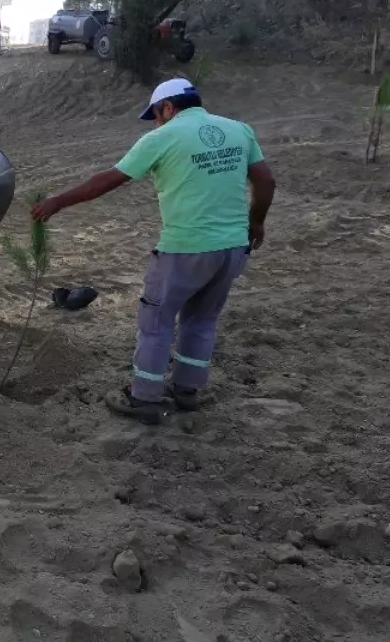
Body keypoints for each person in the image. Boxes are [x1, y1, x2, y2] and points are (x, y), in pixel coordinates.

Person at [31, 78, 276, 425]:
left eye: (157, 115)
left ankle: (143, 397)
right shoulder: (239, 130)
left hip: (184, 249)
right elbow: (266, 181)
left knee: (156, 322)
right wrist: (257, 223)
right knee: (202, 319)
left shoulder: (161, 138)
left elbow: (107, 180)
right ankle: (187, 391)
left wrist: (57, 201)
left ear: (168, 108)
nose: (157, 122)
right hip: (232, 249)